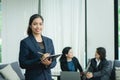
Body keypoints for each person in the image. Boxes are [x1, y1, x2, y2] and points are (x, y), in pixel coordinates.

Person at [19, 14, 56, 80]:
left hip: (48, 77)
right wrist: (39, 60)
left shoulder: (49, 41)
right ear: (30, 26)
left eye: (40, 24)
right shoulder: (25, 42)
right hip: (33, 78)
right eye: (35, 24)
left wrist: (49, 64)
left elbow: (54, 61)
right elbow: (22, 64)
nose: (38, 26)